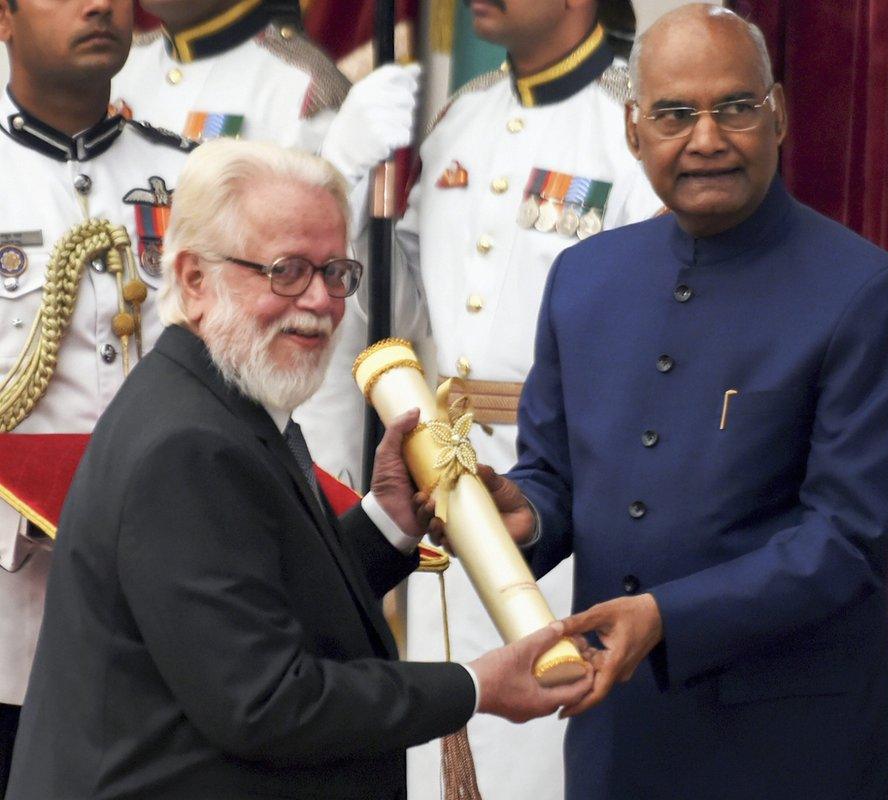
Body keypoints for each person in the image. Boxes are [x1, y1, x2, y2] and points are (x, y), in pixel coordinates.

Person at [5, 139, 592, 800]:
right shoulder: (190, 444)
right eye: (285, 270)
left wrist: (387, 525)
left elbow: (258, 598)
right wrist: (475, 686)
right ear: (195, 279)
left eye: (336, 272)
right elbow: (264, 702)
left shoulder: (224, 395)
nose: (320, 301)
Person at [475, 5, 888, 799]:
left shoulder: (866, 294)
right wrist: (527, 517)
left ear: (780, 114)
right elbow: (552, 477)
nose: (707, 139)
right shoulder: (584, 280)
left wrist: (663, 617)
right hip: (619, 739)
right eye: (675, 115)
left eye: (735, 108)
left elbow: (846, 543)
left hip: (791, 748)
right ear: (634, 130)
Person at [396, 1, 660, 795]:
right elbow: (398, 300)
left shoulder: (631, 118)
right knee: (442, 740)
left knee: (546, 755)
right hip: (446, 473)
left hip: (566, 492)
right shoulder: (462, 115)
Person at [113, 0, 425, 489]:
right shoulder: (124, 69)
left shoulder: (300, 87)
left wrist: (318, 480)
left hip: (249, 447)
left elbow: (331, 309)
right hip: (136, 417)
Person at [0, 0, 191, 791]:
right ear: (3, 18)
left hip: (170, 616)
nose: (99, 4)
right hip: (12, 618)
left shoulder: (194, 179)